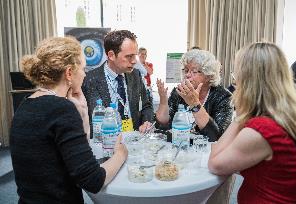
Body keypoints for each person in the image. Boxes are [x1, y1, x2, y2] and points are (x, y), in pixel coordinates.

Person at [10, 36, 128, 203]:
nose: (85, 75)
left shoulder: (26, 103)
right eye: (83, 69)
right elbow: (93, 179)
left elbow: (76, 159)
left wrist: (84, 112)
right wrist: (121, 154)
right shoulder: (61, 109)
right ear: (69, 73)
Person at [208, 42, 296, 203]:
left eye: (237, 76)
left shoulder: (262, 130)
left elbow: (215, 164)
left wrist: (240, 116)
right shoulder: (291, 115)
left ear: (248, 81)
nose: (235, 82)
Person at [82, 30, 154, 135]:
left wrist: (146, 122)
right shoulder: (90, 80)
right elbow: (87, 119)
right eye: (129, 56)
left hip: (133, 141)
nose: (134, 61)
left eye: (135, 56)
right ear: (111, 55)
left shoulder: (135, 75)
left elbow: (146, 106)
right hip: (106, 143)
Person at [156, 49, 233, 142]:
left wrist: (194, 104)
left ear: (208, 76)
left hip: (207, 153)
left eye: (194, 71)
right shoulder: (179, 92)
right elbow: (165, 125)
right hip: (179, 147)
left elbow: (217, 137)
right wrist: (163, 101)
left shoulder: (223, 97)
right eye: (186, 70)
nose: (187, 75)